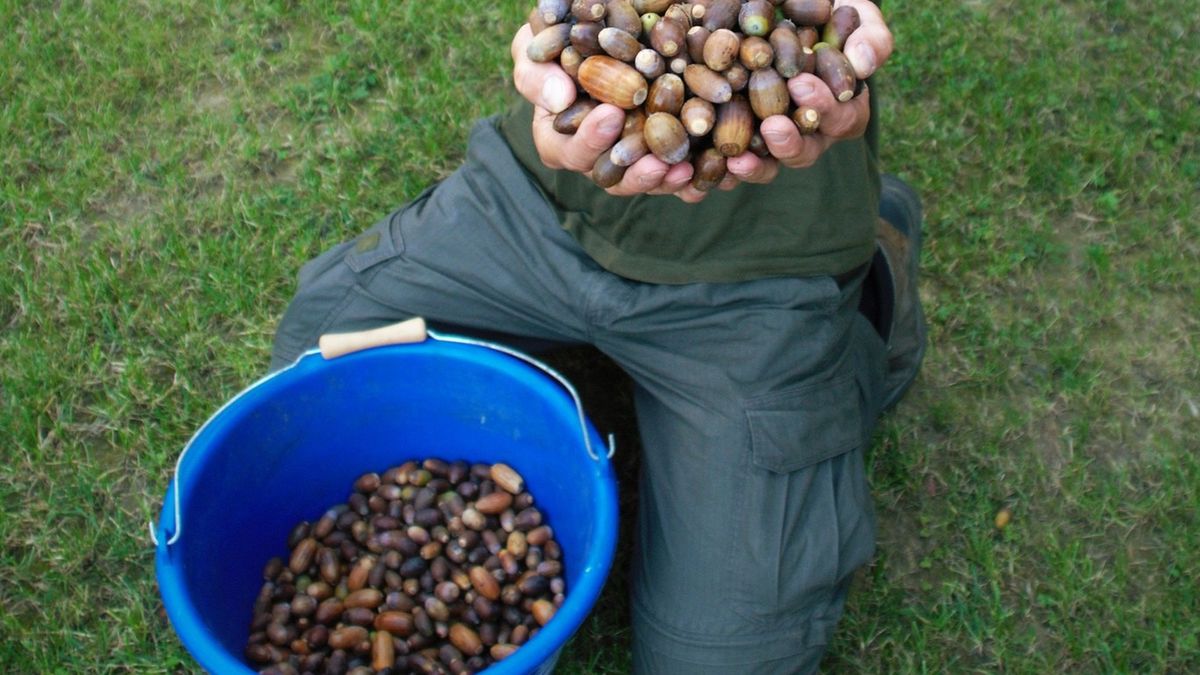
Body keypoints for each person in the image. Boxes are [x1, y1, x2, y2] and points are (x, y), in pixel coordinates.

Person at [270, 0, 926, 671]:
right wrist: (548, 54)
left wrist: (832, 41)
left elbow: (807, 30)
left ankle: (873, 290)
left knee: (717, 661)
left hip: (762, 271)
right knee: (313, 357)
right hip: (542, 202)